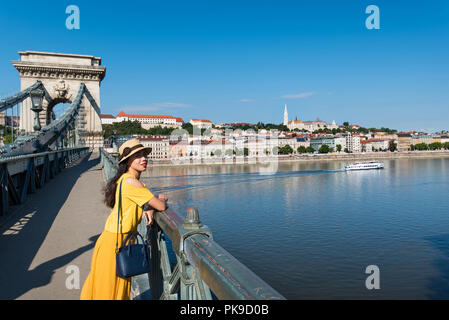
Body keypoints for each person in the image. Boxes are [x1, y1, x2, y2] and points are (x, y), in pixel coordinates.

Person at [80, 138, 167, 300]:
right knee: (112, 289)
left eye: (144, 155)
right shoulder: (132, 182)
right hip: (117, 242)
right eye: (138, 156)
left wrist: (148, 208)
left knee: (107, 286)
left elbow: (139, 202)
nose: (144, 159)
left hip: (111, 239)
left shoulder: (123, 179)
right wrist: (162, 198)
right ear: (127, 161)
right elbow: (161, 206)